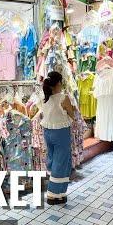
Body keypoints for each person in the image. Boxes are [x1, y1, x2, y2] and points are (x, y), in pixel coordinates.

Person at [40, 71, 76, 205]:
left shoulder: (45, 97)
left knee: (53, 160)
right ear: (59, 83)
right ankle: (52, 194)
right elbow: (72, 115)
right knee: (61, 162)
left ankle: (59, 194)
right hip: (60, 132)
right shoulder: (63, 97)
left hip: (48, 131)